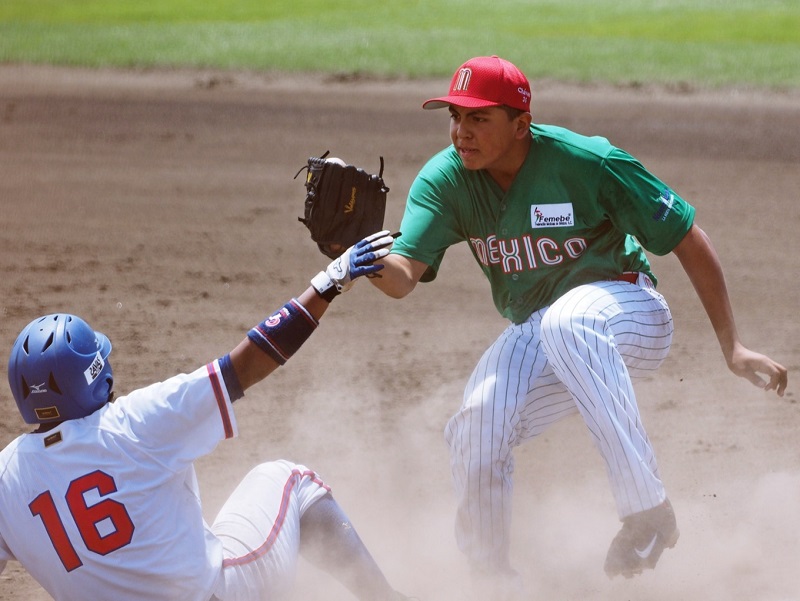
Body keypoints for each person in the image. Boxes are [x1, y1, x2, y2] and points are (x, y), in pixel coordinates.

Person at [366, 55, 788, 597]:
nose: (461, 132)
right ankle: (491, 582)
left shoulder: (588, 161)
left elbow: (686, 235)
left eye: (478, 118)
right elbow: (402, 277)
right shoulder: (446, 179)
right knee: (476, 425)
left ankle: (647, 511)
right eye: (455, 116)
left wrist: (733, 346)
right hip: (543, 333)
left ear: (520, 124)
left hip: (631, 313)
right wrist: (351, 253)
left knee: (570, 321)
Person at [0, 232, 416, 601]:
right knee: (292, 480)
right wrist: (328, 283)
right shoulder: (134, 423)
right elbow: (247, 363)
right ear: (97, 377)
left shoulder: (7, 476)